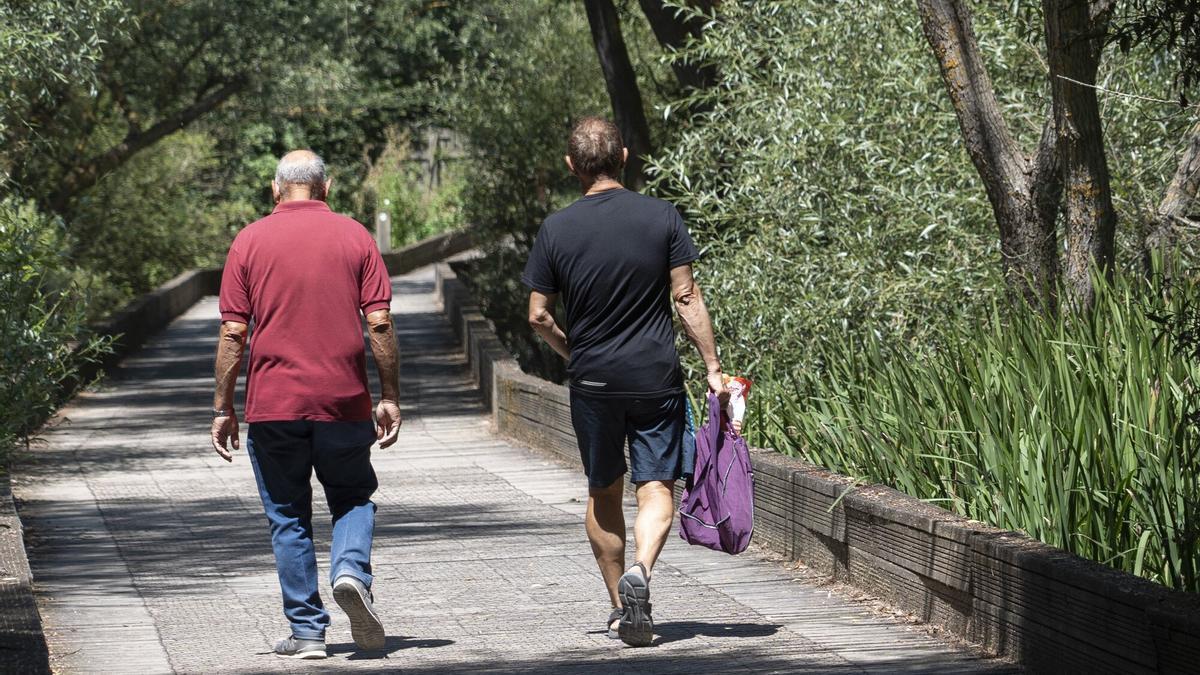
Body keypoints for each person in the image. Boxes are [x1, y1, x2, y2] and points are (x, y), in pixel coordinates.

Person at [522, 117, 725, 647]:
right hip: (654, 377)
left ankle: (620, 606)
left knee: (602, 491)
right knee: (657, 487)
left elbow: (538, 316)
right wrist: (712, 367)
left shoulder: (556, 229)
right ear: (625, 157)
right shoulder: (661, 217)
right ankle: (642, 570)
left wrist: (576, 353)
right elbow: (685, 299)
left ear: (571, 166)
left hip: (593, 382)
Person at [209, 150, 401, 659]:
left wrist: (223, 406)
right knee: (353, 496)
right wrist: (390, 396)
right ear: (326, 187)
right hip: (343, 402)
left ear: (276, 190)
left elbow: (233, 331)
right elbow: (379, 324)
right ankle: (350, 571)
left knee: (288, 516)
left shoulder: (249, 240)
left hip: (274, 406)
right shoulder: (356, 236)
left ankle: (309, 632)